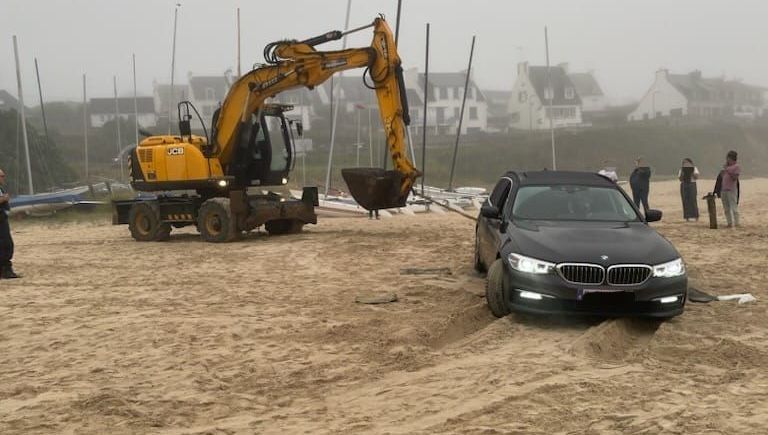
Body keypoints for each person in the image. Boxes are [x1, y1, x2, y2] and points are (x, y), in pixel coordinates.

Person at [0, 169, 20, 279]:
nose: (3, 178)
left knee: (6, 244)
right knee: (6, 244)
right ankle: (5, 271)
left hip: (3, 219)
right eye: (2, 176)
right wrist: (4, 199)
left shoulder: (1, 188)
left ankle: (6, 269)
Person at [721, 150, 740, 228]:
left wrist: (727, 170)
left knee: (734, 207)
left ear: (732, 159)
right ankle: (729, 223)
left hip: (731, 190)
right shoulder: (727, 167)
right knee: (726, 208)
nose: (727, 160)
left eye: (728, 158)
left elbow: (735, 177)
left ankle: (737, 223)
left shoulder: (736, 167)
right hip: (724, 189)